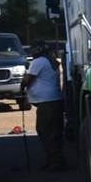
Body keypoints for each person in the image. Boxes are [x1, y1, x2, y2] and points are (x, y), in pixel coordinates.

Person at [21, 42, 65, 171]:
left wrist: (22, 86)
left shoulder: (39, 62)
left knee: (46, 131)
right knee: (55, 131)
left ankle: (55, 162)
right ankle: (55, 160)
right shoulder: (51, 61)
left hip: (47, 103)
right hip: (53, 100)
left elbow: (27, 80)